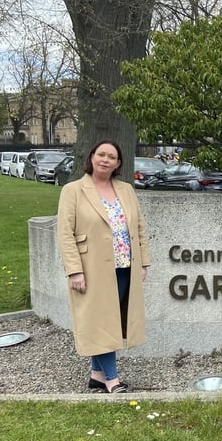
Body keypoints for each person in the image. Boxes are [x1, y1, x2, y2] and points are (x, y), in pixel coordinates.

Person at [56, 140, 151, 393]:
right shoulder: (74, 190)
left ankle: (96, 374)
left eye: (111, 157)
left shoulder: (126, 190)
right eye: (101, 154)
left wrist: (143, 262)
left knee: (105, 320)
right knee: (102, 321)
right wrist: (74, 270)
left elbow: (139, 228)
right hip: (91, 268)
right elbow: (65, 233)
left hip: (124, 266)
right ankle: (112, 379)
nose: (105, 160)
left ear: (118, 163)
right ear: (92, 157)